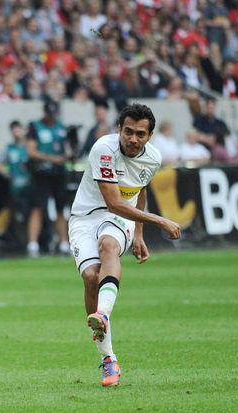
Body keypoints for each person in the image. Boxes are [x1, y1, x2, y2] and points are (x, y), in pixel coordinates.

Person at [69, 103, 180, 387]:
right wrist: (159, 221)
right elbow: (114, 202)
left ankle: (103, 313)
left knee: (108, 244)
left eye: (140, 134)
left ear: (150, 136)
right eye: (128, 131)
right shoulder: (103, 149)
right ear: (119, 129)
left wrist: (139, 235)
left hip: (119, 221)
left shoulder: (153, 158)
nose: (133, 139)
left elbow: (139, 190)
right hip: (84, 218)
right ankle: (108, 358)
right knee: (91, 277)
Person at [26, 99, 70, 257]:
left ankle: (64, 242)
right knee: (37, 208)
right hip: (40, 173)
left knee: (60, 208)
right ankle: (32, 244)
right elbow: (31, 151)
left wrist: (68, 154)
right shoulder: (35, 126)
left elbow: (67, 149)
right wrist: (51, 158)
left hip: (58, 173)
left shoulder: (61, 128)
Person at [0, 120, 31, 227]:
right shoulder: (9, 148)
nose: (16, 133)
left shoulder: (30, 146)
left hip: (32, 187)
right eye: (14, 131)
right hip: (16, 189)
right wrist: (9, 175)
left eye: (18, 130)